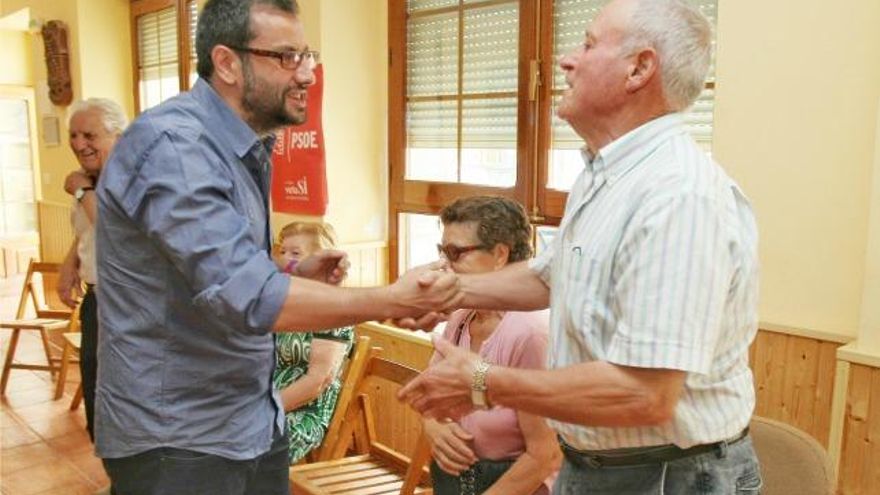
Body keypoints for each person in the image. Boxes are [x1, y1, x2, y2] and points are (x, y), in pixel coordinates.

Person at [94, 1, 459, 493]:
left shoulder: (245, 144)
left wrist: (291, 278)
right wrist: (395, 297)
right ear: (227, 63)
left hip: (250, 419)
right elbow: (246, 295)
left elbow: (209, 274)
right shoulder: (175, 146)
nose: (308, 73)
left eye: (308, 54)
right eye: (287, 57)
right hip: (180, 440)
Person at [399, 1, 762, 493]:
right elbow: (547, 276)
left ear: (640, 68)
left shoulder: (678, 195)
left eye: (588, 44)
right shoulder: (604, 176)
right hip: (594, 465)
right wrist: (445, 292)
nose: (566, 60)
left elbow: (645, 394)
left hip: (668, 475)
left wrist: (482, 380)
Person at [427, 196, 560, 495]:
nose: (443, 265)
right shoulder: (461, 317)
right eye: (442, 251)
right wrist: (433, 427)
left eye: (455, 252)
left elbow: (545, 455)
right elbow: (429, 399)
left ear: (500, 254)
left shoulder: (531, 332)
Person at [56, 98, 128, 444]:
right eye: (73, 135)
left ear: (118, 135)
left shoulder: (128, 177)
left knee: (120, 405)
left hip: (125, 304)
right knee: (97, 396)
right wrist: (72, 261)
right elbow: (88, 229)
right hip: (97, 300)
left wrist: (82, 189)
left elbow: (113, 227)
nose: (78, 144)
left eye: (89, 135)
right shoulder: (91, 179)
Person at [271, 221, 354, 464]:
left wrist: (264, 411)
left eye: (296, 254)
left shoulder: (334, 309)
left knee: (243, 448)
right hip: (269, 399)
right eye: (283, 252)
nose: (286, 260)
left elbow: (317, 381)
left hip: (306, 410)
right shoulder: (287, 301)